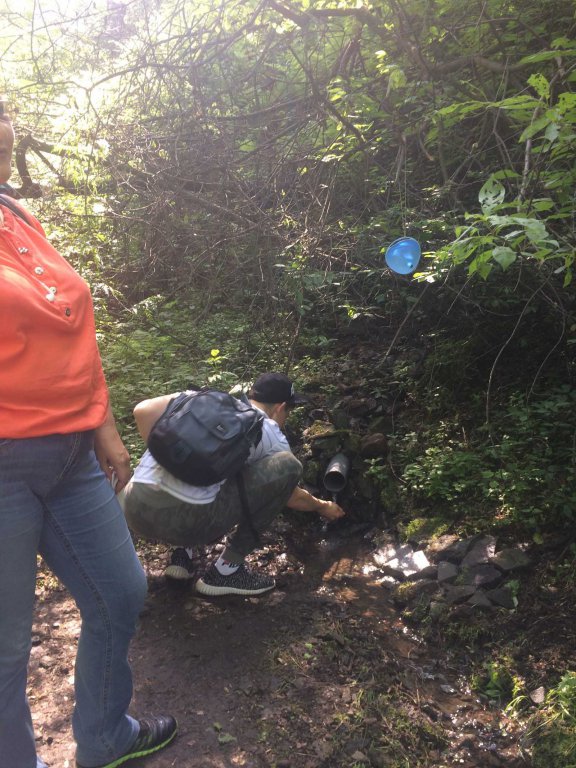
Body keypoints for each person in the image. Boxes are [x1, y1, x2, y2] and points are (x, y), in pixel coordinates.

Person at [0, 97, 177, 768]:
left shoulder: (17, 215)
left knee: (120, 593)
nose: (2, 163)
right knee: (6, 648)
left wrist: (103, 426)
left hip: (71, 455)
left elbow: (71, 327)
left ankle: (104, 738)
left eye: (6, 149)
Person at [122, 372, 346, 595]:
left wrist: (166, 456)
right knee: (289, 466)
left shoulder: (202, 398)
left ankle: (182, 555)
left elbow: (142, 410)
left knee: (201, 470)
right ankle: (226, 570)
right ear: (280, 407)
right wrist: (323, 506)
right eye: (289, 410)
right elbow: (291, 497)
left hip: (133, 508)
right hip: (188, 525)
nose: (286, 417)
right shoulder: (267, 431)